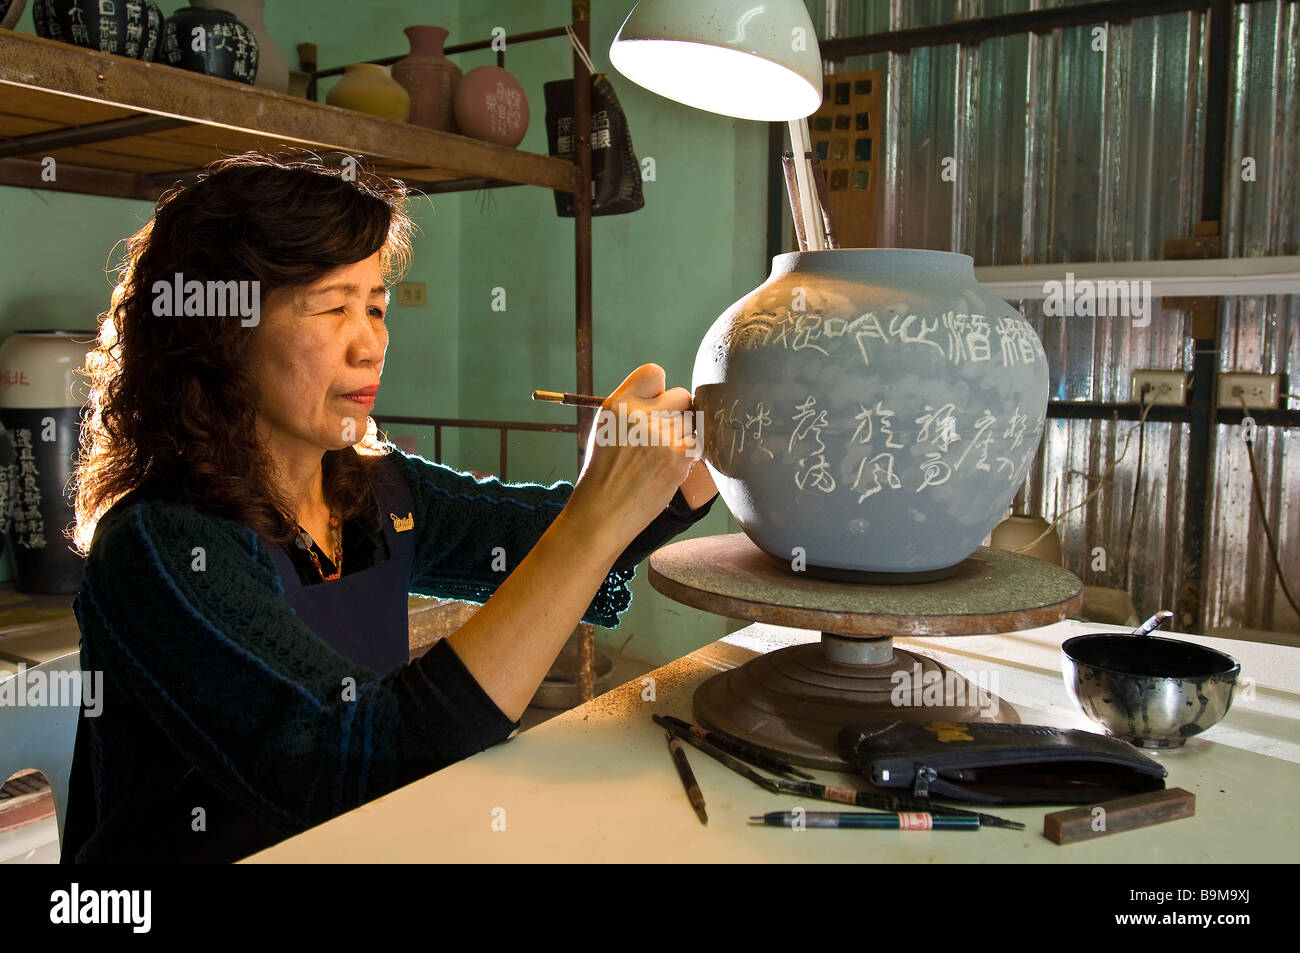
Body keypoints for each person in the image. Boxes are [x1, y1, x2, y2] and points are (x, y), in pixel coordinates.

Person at [59, 152, 717, 863]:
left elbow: (542, 534)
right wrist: (596, 512)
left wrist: (702, 459)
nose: (371, 343)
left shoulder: (374, 492)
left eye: (375, 306)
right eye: (332, 306)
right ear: (220, 329)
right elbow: (348, 757)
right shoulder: (159, 546)